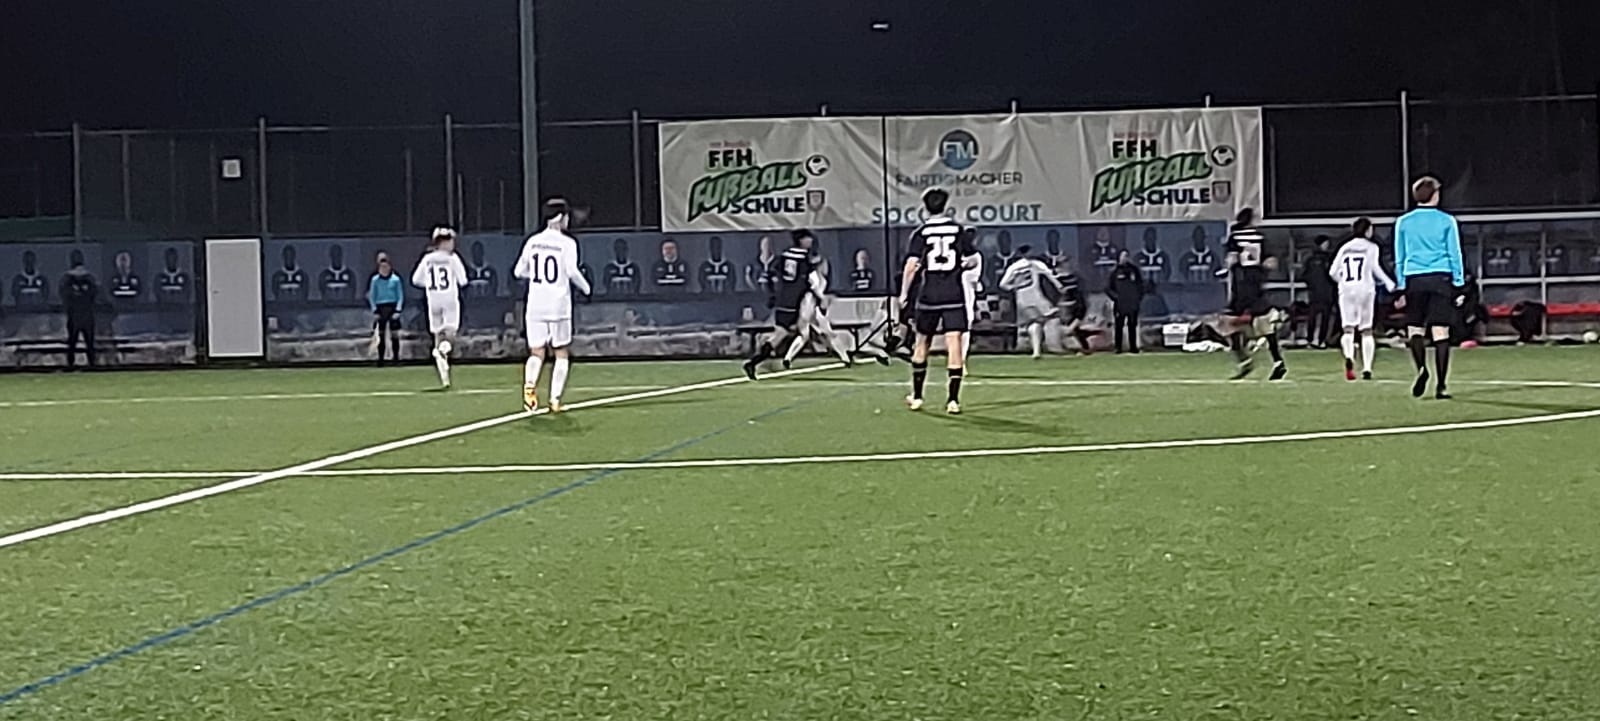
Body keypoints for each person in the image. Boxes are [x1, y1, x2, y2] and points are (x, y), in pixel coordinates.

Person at [898, 187, 978, 414]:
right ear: (946, 205)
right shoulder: (958, 230)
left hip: (929, 294)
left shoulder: (921, 233)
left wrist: (904, 293)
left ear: (925, 207)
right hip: (953, 293)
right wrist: (962, 265)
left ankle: (917, 396)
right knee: (954, 343)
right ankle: (953, 400)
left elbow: (911, 265)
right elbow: (973, 260)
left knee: (922, 341)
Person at [516, 198, 591, 412]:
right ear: (559, 217)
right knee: (560, 351)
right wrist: (586, 288)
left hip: (535, 304)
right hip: (558, 305)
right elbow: (571, 271)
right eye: (566, 216)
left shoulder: (532, 241)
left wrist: (536, 277)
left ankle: (530, 385)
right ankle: (555, 399)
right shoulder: (567, 243)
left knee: (536, 351)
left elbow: (519, 271)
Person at [1394, 176, 1465, 399]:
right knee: (1440, 331)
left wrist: (1401, 285)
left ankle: (1421, 368)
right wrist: (1459, 283)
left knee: (1415, 329)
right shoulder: (1447, 221)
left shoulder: (1404, 222)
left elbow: (1400, 256)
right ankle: (1441, 385)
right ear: (1435, 195)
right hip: (1440, 277)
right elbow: (1455, 253)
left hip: (1414, 278)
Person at [1221, 207, 1287, 380]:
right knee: (1265, 326)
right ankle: (1278, 362)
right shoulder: (1260, 237)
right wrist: (1260, 269)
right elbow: (1271, 262)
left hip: (1241, 285)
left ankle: (1244, 361)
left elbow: (1232, 259)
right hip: (1257, 285)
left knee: (1227, 325)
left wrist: (1226, 268)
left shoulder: (1235, 236)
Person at [743, 229, 817, 378]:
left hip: (783, 301)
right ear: (801, 241)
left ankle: (754, 362)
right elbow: (811, 280)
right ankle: (782, 359)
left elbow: (771, 275)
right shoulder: (803, 259)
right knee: (803, 333)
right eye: (808, 239)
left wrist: (773, 294)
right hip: (795, 302)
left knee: (779, 335)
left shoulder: (784, 256)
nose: (811, 242)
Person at [1331, 218, 1396, 381]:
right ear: (1367, 230)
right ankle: (1367, 368)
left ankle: (1349, 357)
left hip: (1346, 289)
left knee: (1348, 328)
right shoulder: (1371, 247)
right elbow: (1375, 267)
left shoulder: (1345, 247)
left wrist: (1343, 282)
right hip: (1365, 289)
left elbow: (1333, 271)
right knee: (1366, 330)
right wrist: (1389, 283)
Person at [412, 227, 469, 388]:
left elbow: (416, 280)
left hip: (433, 299)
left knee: (437, 335)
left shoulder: (427, 259)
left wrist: (430, 285)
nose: (452, 244)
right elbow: (463, 280)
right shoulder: (452, 258)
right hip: (449, 298)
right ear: (443, 242)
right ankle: (444, 351)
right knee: (450, 333)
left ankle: (445, 378)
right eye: (450, 241)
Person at [781, 252, 858, 368]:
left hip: (810, 307)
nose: (826, 267)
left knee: (807, 335)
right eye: (823, 264)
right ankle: (845, 357)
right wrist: (824, 298)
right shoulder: (814, 276)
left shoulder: (822, 278)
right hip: (809, 306)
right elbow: (816, 292)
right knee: (825, 333)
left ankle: (788, 358)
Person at [998, 245, 1064, 359]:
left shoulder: (1014, 267)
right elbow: (1049, 274)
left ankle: (1038, 350)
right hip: (1036, 299)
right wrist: (1060, 286)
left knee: (1035, 322)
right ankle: (1048, 347)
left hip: (1023, 300)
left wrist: (1015, 287)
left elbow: (1003, 284)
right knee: (1046, 320)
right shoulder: (1035, 264)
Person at [59, 255, 98, 369]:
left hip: (84, 315)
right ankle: (73, 364)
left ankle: (90, 364)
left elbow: (94, 294)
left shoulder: (88, 279)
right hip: (77, 315)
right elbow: (64, 296)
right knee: (74, 342)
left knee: (86, 343)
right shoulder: (67, 279)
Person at [367, 252, 404, 364]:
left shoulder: (395, 279)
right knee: (381, 334)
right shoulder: (375, 280)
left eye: (386, 266)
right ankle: (381, 358)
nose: (384, 268)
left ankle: (396, 358)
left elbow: (400, 295)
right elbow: (372, 296)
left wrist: (398, 310)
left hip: (392, 307)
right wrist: (375, 310)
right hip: (380, 308)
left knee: (395, 334)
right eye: (381, 266)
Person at [1301, 235, 1336, 348]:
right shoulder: (1329, 259)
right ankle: (1319, 340)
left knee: (1316, 317)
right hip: (1324, 292)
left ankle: (1313, 340)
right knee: (1321, 317)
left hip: (1317, 293)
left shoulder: (1311, 260)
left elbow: (1304, 275)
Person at [1108, 250, 1145, 354]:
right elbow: (1108, 288)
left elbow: (1140, 286)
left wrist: (1137, 298)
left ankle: (1133, 347)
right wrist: (1116, 298)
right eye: (1123, 256)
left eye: (1126, 256)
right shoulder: (1115, 271)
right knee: (1119, 326)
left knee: (1132, 325)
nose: (1125, 258)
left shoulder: (1134, 270)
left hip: (1132, 304)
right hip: (1120, 304)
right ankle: (1118, 347)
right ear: (1119, 258)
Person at [959, 228, 984, 365]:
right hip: (964, 298)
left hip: (950, 297)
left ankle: (958, 360)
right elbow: (975, 281)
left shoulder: (953, 256)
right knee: (964, 329)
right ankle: (960, 361)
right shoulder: (976, 257)